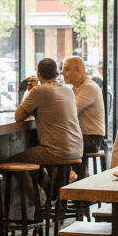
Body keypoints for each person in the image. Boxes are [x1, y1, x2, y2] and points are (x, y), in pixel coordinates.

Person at [12, 57, 84, 204]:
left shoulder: (39, 90)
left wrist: (31, 91)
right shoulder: (68, 91)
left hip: (56, 151)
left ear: (38, 74)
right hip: (77, 148)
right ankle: (52, 196)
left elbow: (18, 116)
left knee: (13, 162)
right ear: (56, 74)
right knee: (35, 161)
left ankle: (41, 202)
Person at [61, 56, 106, 179]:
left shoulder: (88, 87)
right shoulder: (76, 88)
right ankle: (74, 177)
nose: (62, 73)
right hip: (83, 136)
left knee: (56, 145)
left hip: (92, 139)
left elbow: (69, 112)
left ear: (78, 71)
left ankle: (72, 179)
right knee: (57, 143)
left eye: (66, 69)